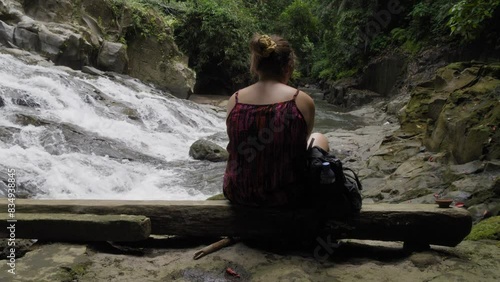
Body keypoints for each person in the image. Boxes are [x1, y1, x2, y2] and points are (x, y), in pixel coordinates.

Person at [223, 34, 329, 207]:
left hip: (239, 193)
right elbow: (300, 146)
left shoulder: (234, 100)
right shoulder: (301, 100)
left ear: (255, 66)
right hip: (288, 197)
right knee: (319, 138)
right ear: (288, 67)